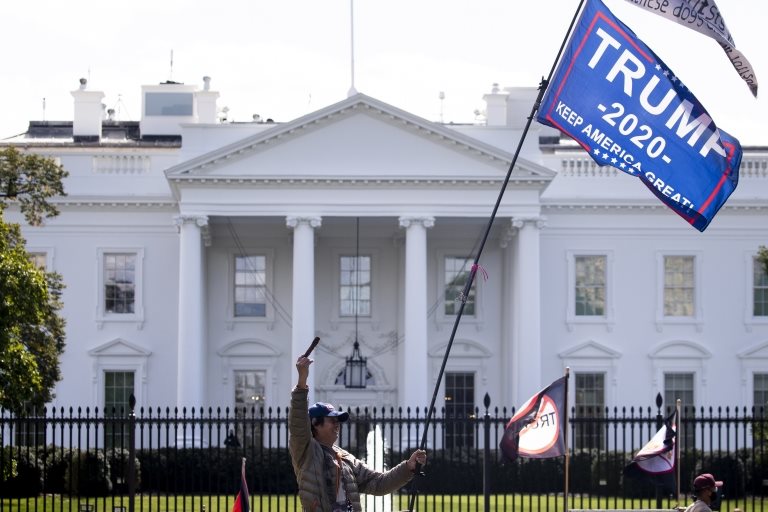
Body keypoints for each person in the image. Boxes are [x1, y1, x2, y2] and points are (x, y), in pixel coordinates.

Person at [289, 355, 427, 512]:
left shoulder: (344, 458)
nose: (337, 424)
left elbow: (379, 483)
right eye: (332, 420)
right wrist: (302, 381)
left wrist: (408, 467)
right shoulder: (306, 450)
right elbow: (298, 423)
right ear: (315, 424)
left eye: (338, 420)